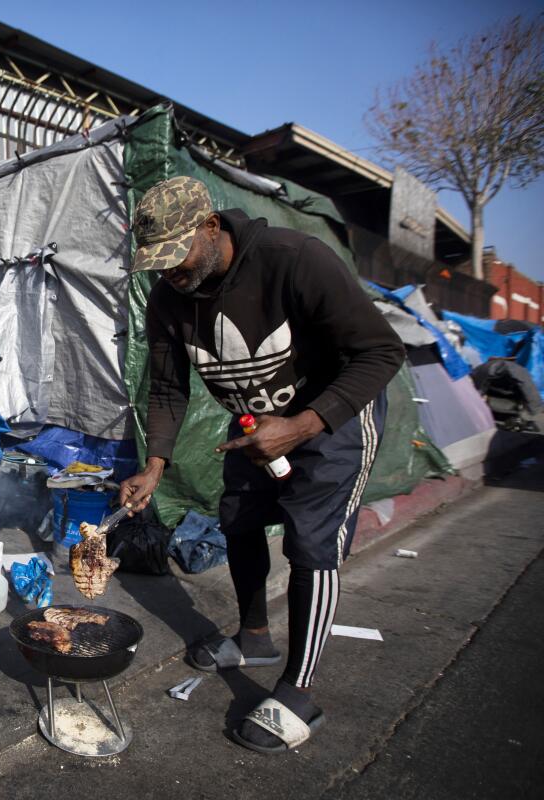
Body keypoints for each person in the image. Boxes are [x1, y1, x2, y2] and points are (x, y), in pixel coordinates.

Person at [119, 176, 404, 754]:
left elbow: (381, 352)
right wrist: (154, 466)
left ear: (211, 226)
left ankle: (299, 691)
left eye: (178, 256)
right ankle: (254, 636)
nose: (170, 272)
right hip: (252, 425)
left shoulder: (294, 260)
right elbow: (168, 389)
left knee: (311, 543)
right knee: (239, 521)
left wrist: (302, 426)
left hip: (333, 419)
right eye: (158, 262)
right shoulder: (170, 298)